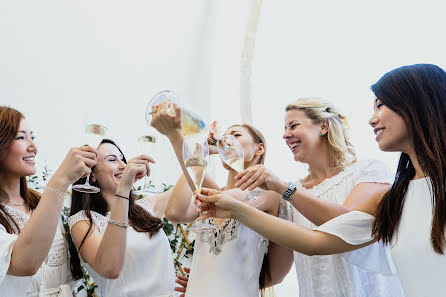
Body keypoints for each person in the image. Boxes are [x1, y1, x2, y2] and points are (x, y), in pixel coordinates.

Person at [196, 64, 446, 297]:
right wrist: (211, 275)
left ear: (324, 126)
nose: (285, 135)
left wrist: (282, 187)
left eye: (381, 106)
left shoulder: (369, 174)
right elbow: (310, 245)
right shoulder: (397, 196)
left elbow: (342, 221)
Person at [150, 102, 281, 297]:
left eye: (236, 135)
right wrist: (199, 149)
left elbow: (227, 199)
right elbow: (174, 212)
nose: (226, 141)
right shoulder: (213, 191)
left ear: (259, 148)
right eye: (224, 136)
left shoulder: (269, 194)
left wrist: (177, 137)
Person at [0, 106, 97, 296]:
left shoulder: (41, 202)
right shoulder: (53, 194)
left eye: (32, 137)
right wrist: (60, 180)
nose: (33, 147)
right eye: (21, 137)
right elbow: (25, 264)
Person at [68, 139, 176, 297]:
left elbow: (188, 187)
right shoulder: (83, 221)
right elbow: (110, 268)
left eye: (123, 159)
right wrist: (124, 188)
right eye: (112, 160)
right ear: (92, 175)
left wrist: (197, 149)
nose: (123, 166)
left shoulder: (144, 208)